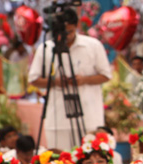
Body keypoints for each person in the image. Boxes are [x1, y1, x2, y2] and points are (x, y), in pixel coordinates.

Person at [28, 8, 110, 151]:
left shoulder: (93, 45)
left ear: (77, 27)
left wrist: (84, 80)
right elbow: (33, 79)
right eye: (62, 32)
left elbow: (106, 75)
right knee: (60, 160)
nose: (66, 36)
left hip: (89, 116)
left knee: (90, 159)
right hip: (57, 118)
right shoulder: (46, 48)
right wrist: (56, 82)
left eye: (70, 32)